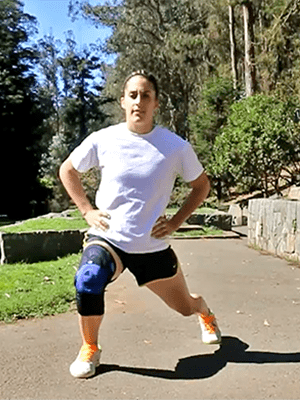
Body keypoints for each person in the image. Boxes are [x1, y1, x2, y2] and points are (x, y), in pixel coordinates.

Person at [59, 70, 221, 379]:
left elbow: (201, 186)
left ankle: (205, 313)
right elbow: (68, 170)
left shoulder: (175, 147)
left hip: (152, 245)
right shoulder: (103, 139)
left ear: (156, 103)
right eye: (133, 95)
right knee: (88, 278)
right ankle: (90, 348)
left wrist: (174, 222)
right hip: (109, 238)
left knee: (184, 306)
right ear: (122, 101)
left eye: (146, 95)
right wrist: (86, 211)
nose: (139, 101)